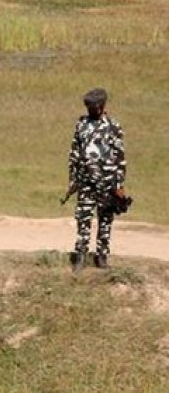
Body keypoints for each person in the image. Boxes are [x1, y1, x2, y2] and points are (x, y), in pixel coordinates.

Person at [67, 87, 127, 271]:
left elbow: (120, 158)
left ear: (102, 106)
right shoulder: (81, 125)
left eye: (94, 108)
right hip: (86, 182)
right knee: (83, 218)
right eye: (88, 108)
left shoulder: (113, 127)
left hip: (107, 182)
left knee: (105, 220)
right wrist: (72, 180)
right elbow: (75, 153)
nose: (91, 111)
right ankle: (81, 256)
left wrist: (119, 185)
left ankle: (101, 257)